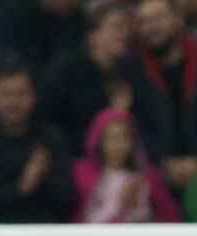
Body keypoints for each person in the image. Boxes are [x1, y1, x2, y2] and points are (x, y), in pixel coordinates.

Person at [126, 0, 197, 192]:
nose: (151, 28)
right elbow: (133, 127)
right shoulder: (131, 71)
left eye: (158, 18)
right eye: (143, 22)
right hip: (153, 170)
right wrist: (163, 162)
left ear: (178, 18)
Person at [0, 67, 73, 223]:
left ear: (34, 97)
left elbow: (66, 201)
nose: (14, 102)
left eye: (21, 94)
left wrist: (43, 176)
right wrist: (21, 188)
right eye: (6, 94)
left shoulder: (51, 139)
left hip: (43, 231)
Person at [38, 0, 133, 155]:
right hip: (68, 157)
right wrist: (114, 114)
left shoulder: (128, 73)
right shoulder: (65, 70)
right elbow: (47, 120)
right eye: (116, 27)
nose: (125, 33)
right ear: (93, 36)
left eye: (127, 27)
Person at [71, 109, 182, 224]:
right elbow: (86, 222)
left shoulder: (148, 176)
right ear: (98, 141)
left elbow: (169, 217)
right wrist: (120, 203)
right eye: (112, 137)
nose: (119, 144)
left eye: (125, 136)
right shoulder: (82, 174)